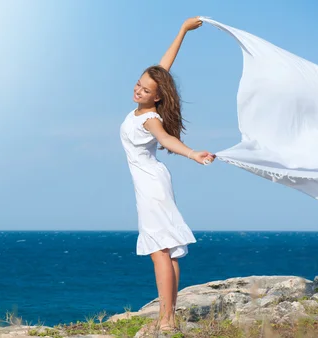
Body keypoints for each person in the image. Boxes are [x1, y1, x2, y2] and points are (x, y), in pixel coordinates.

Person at [119, 16, 215, 333]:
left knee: (159, 250)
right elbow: (163, 69)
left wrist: (191, 153)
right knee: (167, 250)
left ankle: (166, 320)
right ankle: (168, 315)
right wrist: (182, 32)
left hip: (151, 186)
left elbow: (166, 140)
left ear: (156, 97)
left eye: (145, 90)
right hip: (151, 182)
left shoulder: (150, 119)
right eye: (138, 84)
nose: (139, 90)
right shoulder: (149, 97)